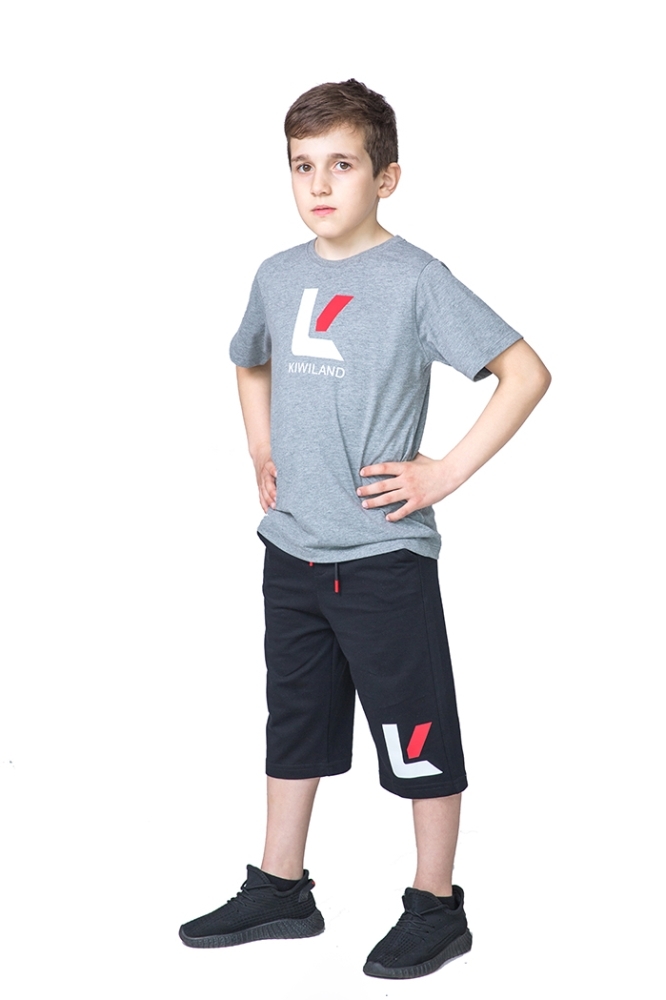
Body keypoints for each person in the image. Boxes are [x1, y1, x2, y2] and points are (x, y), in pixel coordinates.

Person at [179, 79, 550, 980]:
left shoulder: (417, 280)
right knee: (295, 720)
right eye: (302, 165)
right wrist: (260, 447)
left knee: (416, 732)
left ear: (386, 178)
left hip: (383, 558)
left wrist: (443, 473)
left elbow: (526, 373)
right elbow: (249, 361)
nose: (318, 184)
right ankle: (280, 887)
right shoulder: (277, 276)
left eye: (341, 164)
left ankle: (435, 905)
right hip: (291, 549)